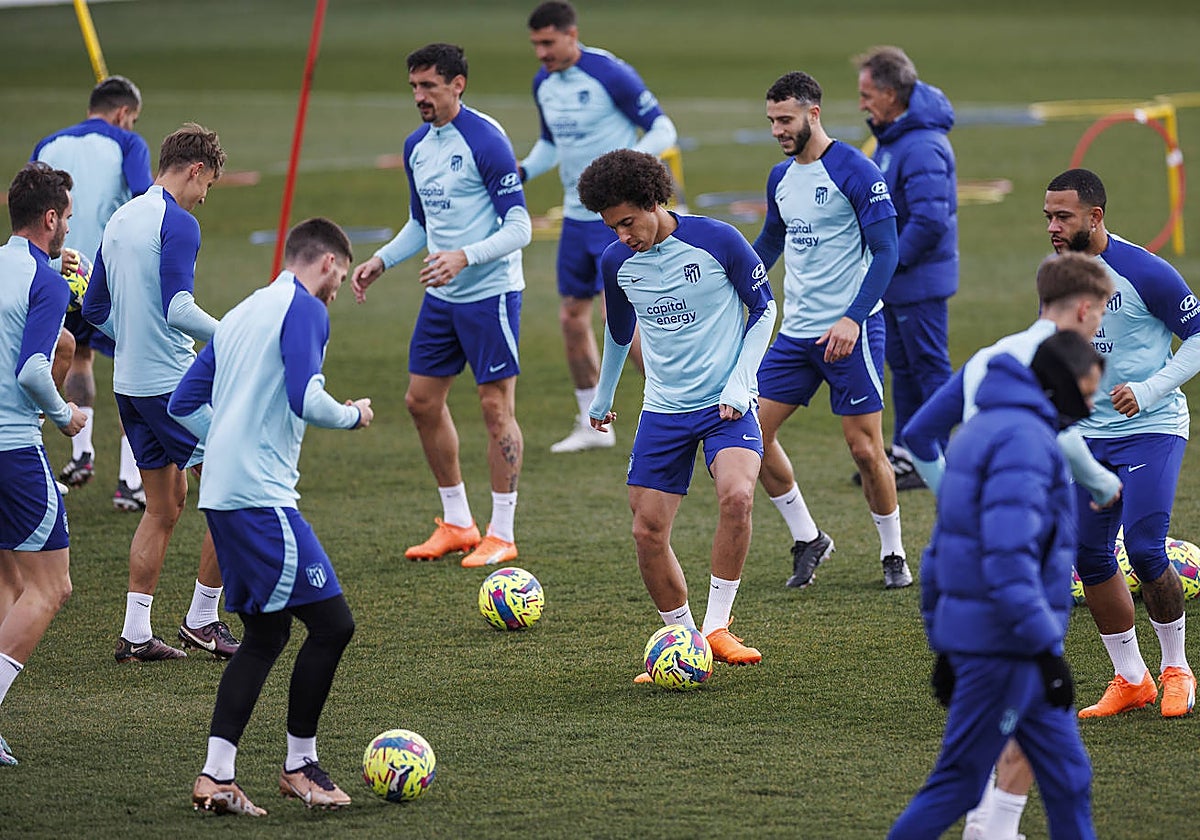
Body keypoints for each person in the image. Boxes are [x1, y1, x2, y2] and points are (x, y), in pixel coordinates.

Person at [901, 252, 1120, 840]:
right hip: (1010, 641)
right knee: (960, 781)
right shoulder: (1030, 441)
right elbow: (1008, 561)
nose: (1093, 401)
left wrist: (943, 639)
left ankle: (993, 829)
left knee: (1070, 776)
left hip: (988, 630)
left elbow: (943, 542)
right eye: (1089, 387)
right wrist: (1048, 652)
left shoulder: (983, 398)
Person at [171, 218, 370, 816]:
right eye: (337, 276)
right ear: (330, 264)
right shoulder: (306, 308)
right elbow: (305, 398)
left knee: (266, 634)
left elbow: (183, 403)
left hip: (225, 494)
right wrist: (354, 415)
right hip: (261, 497)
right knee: (333, 625)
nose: (335, 289)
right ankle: (300, 766)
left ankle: (216, 776)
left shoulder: (238, 313)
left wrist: (229, 441)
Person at [577, 149, 776, 679]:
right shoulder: (616, 262)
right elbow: (620, 332)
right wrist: (602, 396)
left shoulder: (718, 240)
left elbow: (764, 308)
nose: (622, 235)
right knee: (647, 532)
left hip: (724, 404)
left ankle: (716, 627)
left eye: (628, 222)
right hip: (664, 409)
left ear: (654, 201)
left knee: (737, 496)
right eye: (612, 226)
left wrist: (741, 381)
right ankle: (684, 638)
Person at [351, 44, 531, 569]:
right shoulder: (416, 147)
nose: (419, 97)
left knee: (496, 408)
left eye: (429, 86)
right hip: (441, 295)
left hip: (490, 293)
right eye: (413, 87)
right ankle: (457, 522)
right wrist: (381, 261)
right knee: (420, 402)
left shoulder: (486, 140)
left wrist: (464, 258)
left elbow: (520, 227)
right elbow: (422, 225)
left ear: (458, 85)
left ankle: (502, 532)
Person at [1044, 169, 1199, 721]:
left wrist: (1151, 389)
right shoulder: (1057, 276)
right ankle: (1132, 678)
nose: (1054, 228)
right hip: (1089, 436)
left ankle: (1178, 668)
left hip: (1151, 429)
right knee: (1089, 555)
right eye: (1048, 218)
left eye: (1063, 217)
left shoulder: (1143, 272)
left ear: (1095, 217)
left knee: (1145, 547)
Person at [82, 123, 240, 662]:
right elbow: (178, 310)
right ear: (195, 169)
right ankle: (202, 619)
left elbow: (95, 310)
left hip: (129, 386)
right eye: (208, 186)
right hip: (173, 389)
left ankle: (135, 633)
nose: (204, 197)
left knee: (163, 506)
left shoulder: (120, 218)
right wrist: (238, 334)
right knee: (232, 486)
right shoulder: (179, 222)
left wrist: (135, 341)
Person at [752, 71, 908, 590]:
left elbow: (888, 252)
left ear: (813, 114)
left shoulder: (856, 172)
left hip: (852, 331)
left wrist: (853, 317)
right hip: (795, 335)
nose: (777, 129)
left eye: (785, 119)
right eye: (772, 120)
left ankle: (892, 553)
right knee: (751, 438)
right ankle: (808, 537)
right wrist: (728, 283)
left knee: (866, 451)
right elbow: (770, 244)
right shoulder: (781, 178)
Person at [521, 1, 678, 453]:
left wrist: (627, 172)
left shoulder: (609, 73)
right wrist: (522, 172)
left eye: (548, 42)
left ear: (572, 35)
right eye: (535, 44)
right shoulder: (543, 84)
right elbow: (550, 146)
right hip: (574, 217)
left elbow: (663, 129)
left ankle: (681, 405)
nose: (541, 53)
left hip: (614, 220)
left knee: (621, 319)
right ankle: (593, 423)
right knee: (572, 319)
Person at [0, 163, 88, 767]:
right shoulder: (44, 281)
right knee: (51, 586)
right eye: (67, 218)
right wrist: (65, 417)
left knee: (8, 582)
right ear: (51, 218)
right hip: (12, 449)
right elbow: (34, 371)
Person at [32, 75, 153, 510]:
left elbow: (31, 206)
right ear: (123, 114)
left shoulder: (48, 144)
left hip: (56, 271)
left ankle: (81, 452)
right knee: (132, 369)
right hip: (107, 275)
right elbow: (145, 201)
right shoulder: (128, 143)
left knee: (75, 355)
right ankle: (129, 481)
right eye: (133, 119)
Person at [855, 46, 957, 491]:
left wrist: (888, 262)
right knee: (904, 366)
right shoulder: (895, 138)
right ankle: (905, 452)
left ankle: (938, 455)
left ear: (892, 93)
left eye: (867, 93)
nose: (862, 103)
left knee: (929, 366)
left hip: (918, 280)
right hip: (900, 279)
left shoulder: (922, 144)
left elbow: (931, 220)